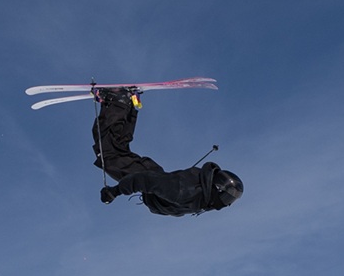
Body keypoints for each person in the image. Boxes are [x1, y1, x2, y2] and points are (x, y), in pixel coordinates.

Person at [91, 87, 243, 216]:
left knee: (118, 151)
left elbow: (152, 182)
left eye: (231, 199)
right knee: (108, 155)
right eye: (228, 198)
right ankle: (118, 101)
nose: (227, 202)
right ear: (217, 189)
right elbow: (144, 181)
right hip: (153, 180)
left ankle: (125, 104)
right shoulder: (183, 192)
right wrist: (114, 192)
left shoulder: (200, 200)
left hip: (156, 178)